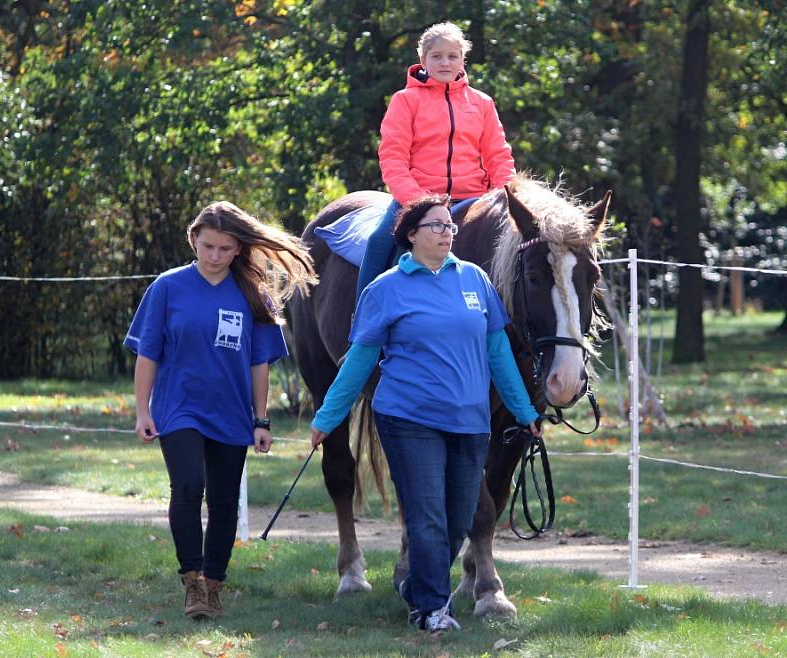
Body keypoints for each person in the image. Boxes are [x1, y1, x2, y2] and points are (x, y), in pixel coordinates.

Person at [310, 195, 542, 634]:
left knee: (459, 517)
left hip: (469, 420)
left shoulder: (475, 281)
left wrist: (523, 409)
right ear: (411, 235)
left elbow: (498, 354)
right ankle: (432, 609)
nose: (447, 232)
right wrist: (328, 416)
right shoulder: (385, 289)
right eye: (435, 225)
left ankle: (415, 582)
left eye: (449, 226)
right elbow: (359, 360)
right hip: (409, 420)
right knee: (429, 516)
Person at [125, 201, 316, 620]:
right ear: (193, 240)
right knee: (189, 487)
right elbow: (147, 354)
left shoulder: (252, 294)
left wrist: (261, 418)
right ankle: (191, 579)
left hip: (231, 413)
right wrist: (143, 411)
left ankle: (213, 584)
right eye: (208, 246)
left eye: (225, 248)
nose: (214, 256)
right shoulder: (168, 287)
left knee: (225, 500)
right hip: (178, 408)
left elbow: (258, 362)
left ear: (238, 249)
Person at [355, 21, 516, 301]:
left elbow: (498, 156)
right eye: (437, 56)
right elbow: (393, 158)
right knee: (379, 241)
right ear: (423, 60)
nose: (445, 62)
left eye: (452, 56)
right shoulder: (405, 101)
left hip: (475, 199)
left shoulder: (482, 103)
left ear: (462, 60)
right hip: (416, 200)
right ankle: (363, 317)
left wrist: (505, 198)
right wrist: (419, 203)